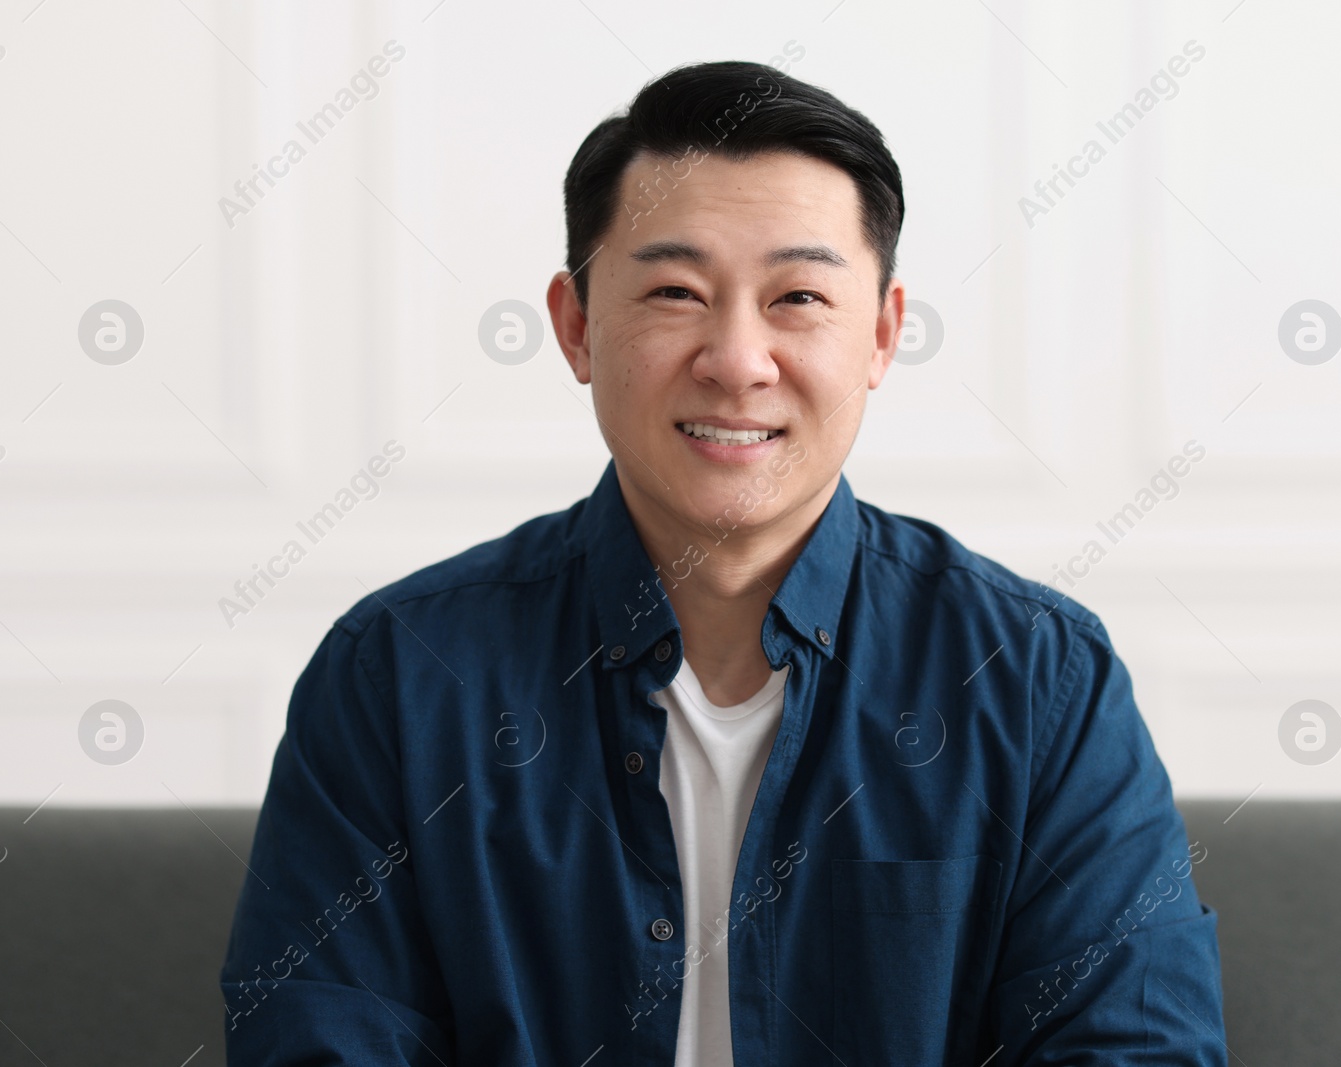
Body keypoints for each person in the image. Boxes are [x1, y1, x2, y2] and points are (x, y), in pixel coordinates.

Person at [219, 58, 1227, 1065]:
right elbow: (320, 1041)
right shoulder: (397, 676)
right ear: (575, 325)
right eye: (674, 291)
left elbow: (1132, 1047)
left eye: (796, 296)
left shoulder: (1036, 679)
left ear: (880, 333)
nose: (738, 359)